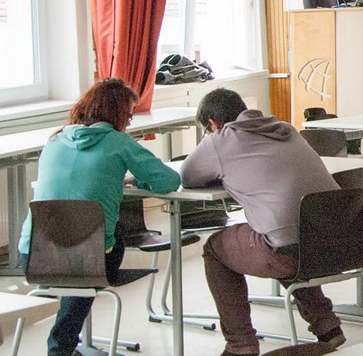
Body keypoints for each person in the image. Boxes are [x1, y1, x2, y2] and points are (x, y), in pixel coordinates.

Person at [19, 78, 180, 356]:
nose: (128, 121)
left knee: (81, 247)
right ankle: (60, 347)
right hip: (88, 261)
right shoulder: (118, 143)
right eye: (128, 115)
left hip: (33, 255)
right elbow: (168, 181)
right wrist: (134, 180)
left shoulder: (54, 140)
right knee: (102, 240)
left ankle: (63, 346)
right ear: (117, 114)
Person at [181, 89, 345, 355]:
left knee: (218, 249)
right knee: (284, 232)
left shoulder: (220, 140)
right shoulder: (286, 129)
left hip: (292, 251)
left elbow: (188, 176)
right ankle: (327, 326)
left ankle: (241, 345)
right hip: (341, 242)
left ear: (213, 124)